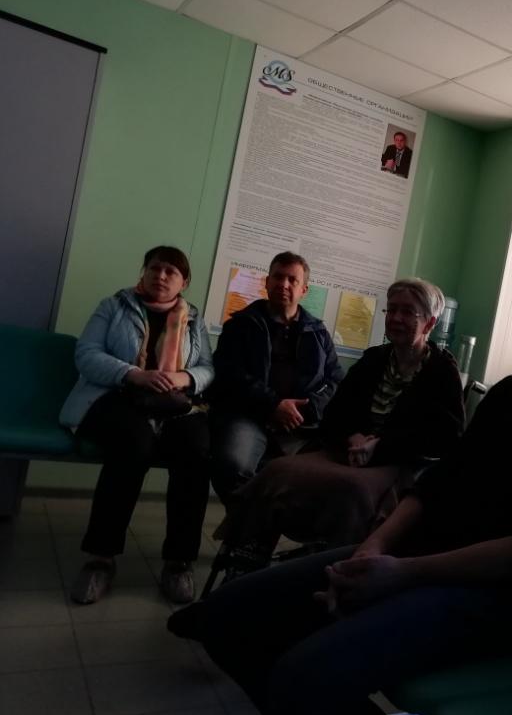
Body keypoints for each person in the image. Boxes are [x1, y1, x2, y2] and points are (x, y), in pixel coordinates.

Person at [169, 246, 512, 715]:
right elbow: (440, 480)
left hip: (496, 597)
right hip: (415, 557)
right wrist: (373, 548)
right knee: (224, 617)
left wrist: (403, 573)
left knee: (302, 679)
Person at [215, 277, 465, 579]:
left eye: (408, 311)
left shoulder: (442, 371)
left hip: (397, 461)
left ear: (430, 323)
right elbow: (335, 414)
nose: (396, 318)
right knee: (276, 471)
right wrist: (353, 436)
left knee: (353, 491)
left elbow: (446, 436)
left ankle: (335, 572)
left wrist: (380, 445)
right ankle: (246, 561)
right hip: (348, 450)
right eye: (392, 309)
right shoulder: (374, 359)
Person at [59, 245, 214, 605]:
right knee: (133, 444)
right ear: (143, 272)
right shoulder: (113, 306)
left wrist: (185, 378)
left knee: (196, 449)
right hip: (114, 397)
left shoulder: (193, 318)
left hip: (173, 403)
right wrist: (134, 374)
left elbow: (207, 367)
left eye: (171, 272)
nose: (161, 276)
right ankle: (100, 558)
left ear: (184, 282)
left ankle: (179, 562)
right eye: (155, 268)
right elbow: (86, 355)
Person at [208, 251, 343, 515]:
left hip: (302, 423)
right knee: (232, 466)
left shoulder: (318, 332)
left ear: (304, 290)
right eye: (278, 277)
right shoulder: (241, 325)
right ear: (267, 282)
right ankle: (256, 524)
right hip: (250, 416)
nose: (284, 284)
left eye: (292, 280)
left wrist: (307, 409)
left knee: (325, 478)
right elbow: (229, 374)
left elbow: (335, 379)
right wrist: (273, 405)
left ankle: (253, 525)